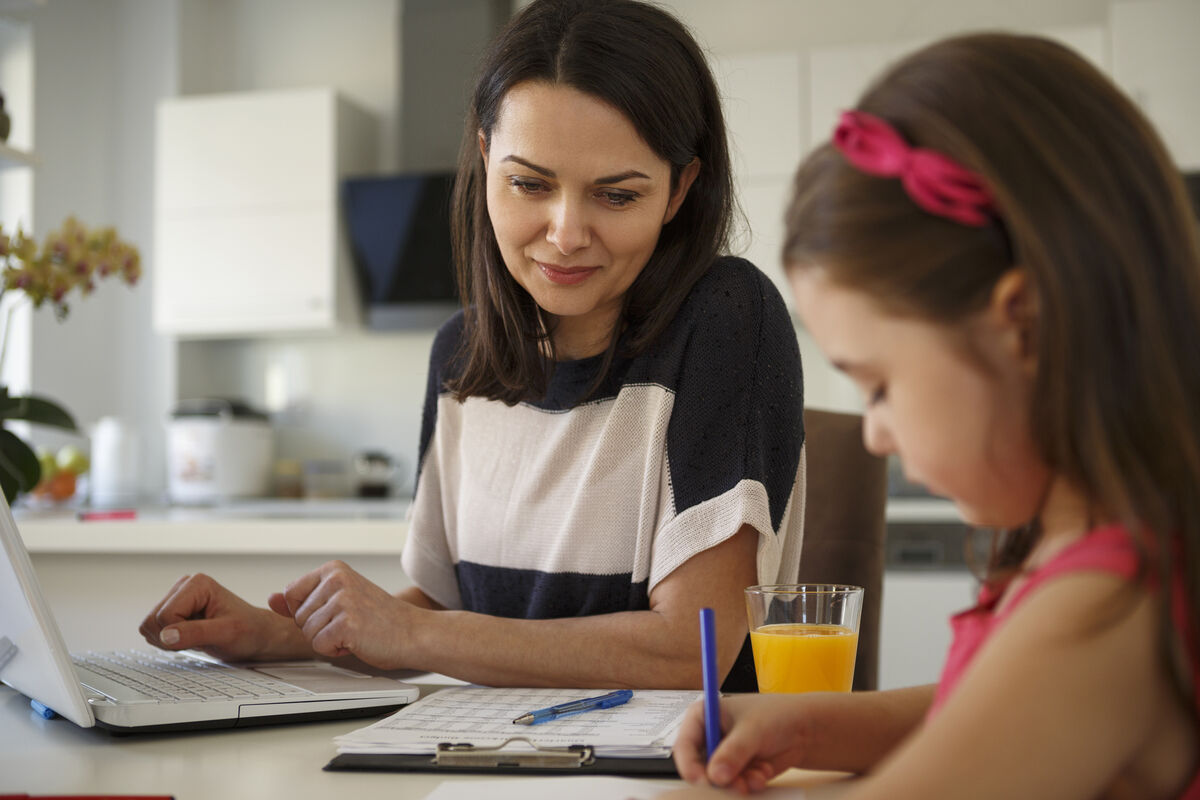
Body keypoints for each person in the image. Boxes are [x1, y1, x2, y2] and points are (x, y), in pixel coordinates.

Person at [139, 0, 806, 691]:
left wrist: (416, 631)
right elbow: (445, 614)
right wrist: (277, 634)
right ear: (486, 158)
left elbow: (689, 650)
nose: (566, 232)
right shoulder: (459, 356)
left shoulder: (726, 317)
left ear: (679, 191)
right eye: (529, 184)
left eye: (615, 197)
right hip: (495, 759)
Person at [669, 31, 1200, 798]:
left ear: (1025, 326)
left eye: (879, 385)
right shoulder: (1089, 546)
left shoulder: (1105, 607)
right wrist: (815, 726)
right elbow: (984, 709)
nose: (874, 432)